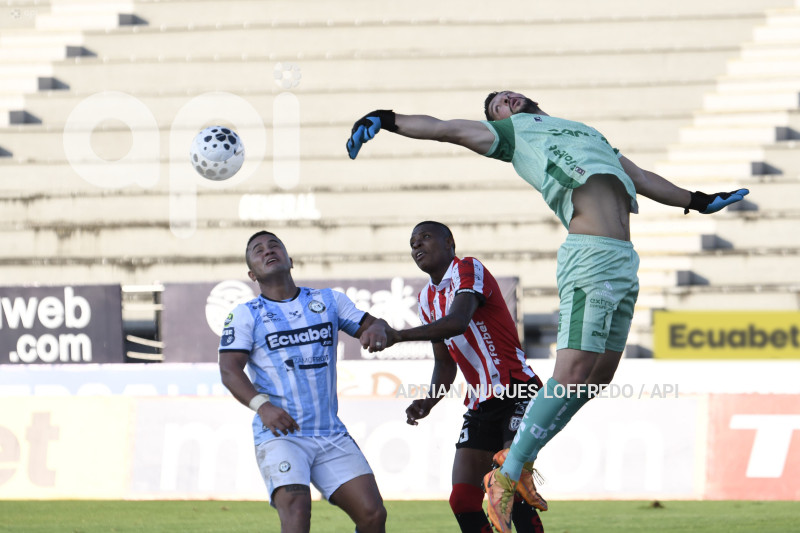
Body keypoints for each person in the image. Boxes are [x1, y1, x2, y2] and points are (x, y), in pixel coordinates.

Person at [346, 95, 749, 533]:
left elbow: (640, 178)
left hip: (623, 260)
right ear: (497, 121)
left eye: (506, 94)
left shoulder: (587, 133)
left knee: (596, 379)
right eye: (496, 105)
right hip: (589, 256)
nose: (505, 99)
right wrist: (388, 119)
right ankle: (508, 473)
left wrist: (697, 199)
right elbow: (447, 129)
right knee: (570, 374)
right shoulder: (514, 133)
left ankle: (516, 464)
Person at [372, 220, 546, 533]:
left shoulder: (467, 268)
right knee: (463, 500)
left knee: (511, 486)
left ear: (449, 242)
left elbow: (458, 321)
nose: (417, 245)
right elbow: (445, 362)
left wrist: (399, 335)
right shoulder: (426, 299)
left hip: (517, 389)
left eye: (425, 237)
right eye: (412, 242)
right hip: (480, 403)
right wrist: (429, 401)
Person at [218, 230, 392, 533]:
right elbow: (229, 370)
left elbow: (373, 324)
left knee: (373, 516)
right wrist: (263, 407)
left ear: (290, 260)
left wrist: (377, 328)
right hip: (281, 434)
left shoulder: (329, 301)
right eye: (258, 250)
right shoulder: (246, 315)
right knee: (297, 513)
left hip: (329, 432)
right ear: (252, 274)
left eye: (274, 245)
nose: (268, 250)